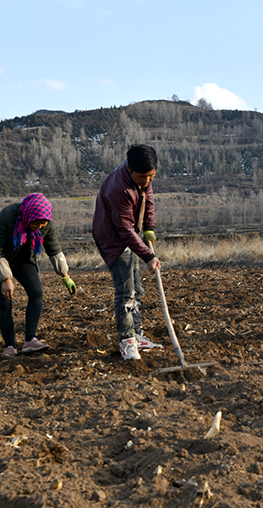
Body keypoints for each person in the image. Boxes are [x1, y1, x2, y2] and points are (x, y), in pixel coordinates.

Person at [0, 193, 76, 357]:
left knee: (36, 293)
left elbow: (53, 248)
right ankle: (10, 346)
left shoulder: (46, 223)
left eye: (43, 225)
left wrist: (66, 276)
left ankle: (30, 340)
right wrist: (5, 278)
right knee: (5, 302)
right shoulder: (8, 216)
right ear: (30, 216)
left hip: (22, 258)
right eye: (36, 224)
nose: (40, 228)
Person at [93, 144, 164, 361]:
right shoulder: (119, 188)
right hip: (113, 239)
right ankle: (126, 340)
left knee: (137, 289)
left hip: (129, 234)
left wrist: (149, 228)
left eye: (151, 176)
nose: (147, 181)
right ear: (130, 169)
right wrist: (148, 256)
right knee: (126, 292)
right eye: (143, 177)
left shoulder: (143, 177)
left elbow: (148, 200)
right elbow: (123, 229)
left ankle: (137, 335)